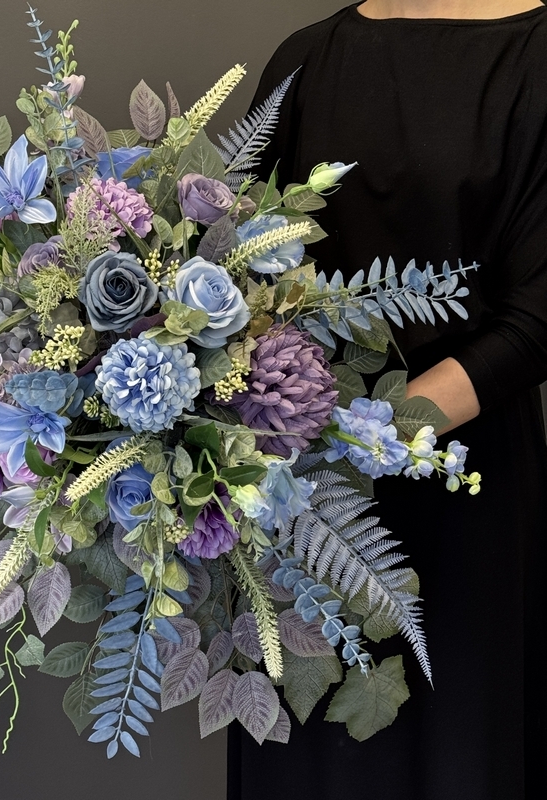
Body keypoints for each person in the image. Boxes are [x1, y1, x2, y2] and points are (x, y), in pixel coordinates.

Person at [227, 2, 547, 798]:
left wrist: (363, 431)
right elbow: (229, 266)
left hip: (462, 496)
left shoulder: (536, 60)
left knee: (460, 753)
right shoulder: (305, 58)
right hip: (294, 504)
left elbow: (538, 315)